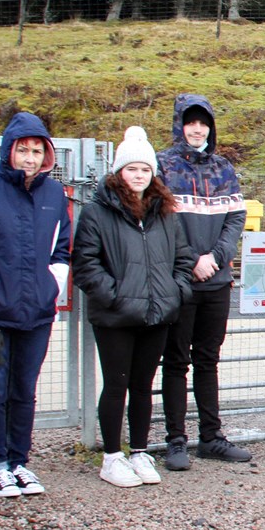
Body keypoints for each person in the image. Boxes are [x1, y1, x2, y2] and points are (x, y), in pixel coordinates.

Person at [72, 126, 194, 489]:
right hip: (116, 316)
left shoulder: (165, 214)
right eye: (131, 169)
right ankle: (111, 456)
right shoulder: (97, 213)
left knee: (143, 386)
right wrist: (113, 295)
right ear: (118, 172)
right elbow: (86, 263)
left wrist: (175, 292)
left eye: (145, 170)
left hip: (157, 313)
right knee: (116, 384)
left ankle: (139, 451)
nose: (139, 176)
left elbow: (182, 259)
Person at [0, 112, 71, 500]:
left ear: (46, 155)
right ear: (9, 151)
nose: (29, 157)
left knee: (25, 389)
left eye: (36, 150)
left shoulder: (54, 195)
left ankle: (19, 461)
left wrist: (50, 286)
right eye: (22, 150)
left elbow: (61, 249)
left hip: (36, 311)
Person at [157, 94, 252, 469]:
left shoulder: (223, 167)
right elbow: (163, 222)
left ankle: (210, 436)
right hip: (180, 281)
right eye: (190, 122)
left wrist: (216, 257)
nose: (197, 129)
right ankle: (176, 440)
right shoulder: (163, 166)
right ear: (180, 124)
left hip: (216, 280)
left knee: (208, 361)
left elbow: (235, 217)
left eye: (204, 123)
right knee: (176, 361)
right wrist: (191, 260)